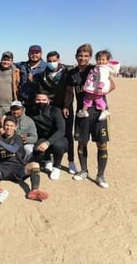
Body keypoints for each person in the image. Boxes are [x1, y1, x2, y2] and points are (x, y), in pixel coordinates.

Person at [64, 44, 115, 188]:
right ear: (76, 56)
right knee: (82, 142)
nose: (83, 58)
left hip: (99, 113)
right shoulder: (71, 73)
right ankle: (83, 170)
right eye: (80, 55)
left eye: (86, 56)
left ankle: (100, 176)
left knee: (102, 144)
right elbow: (69, 92)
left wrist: (97, 93)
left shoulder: (97, 69)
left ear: (90, 57)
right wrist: (66, 106)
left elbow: (112, 85)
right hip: (83, 112)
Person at [0, 116, 48, 201]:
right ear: (3, 126)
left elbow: (13, 149)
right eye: (6, 125)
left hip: (18, 170)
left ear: (15, 127)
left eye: (11, 126)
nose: (8, 128)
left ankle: (34, 191)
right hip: (3, 169)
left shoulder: (17, 138)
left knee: (34, 164)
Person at [38, 51, 77, 174]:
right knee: (49, 131)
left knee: (67, 133)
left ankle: (71, 161)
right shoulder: (44, 73)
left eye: (54, 60)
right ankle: (48, 158)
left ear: (59, 60)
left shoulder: (67, 72)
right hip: (51, 107)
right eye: (49, 61)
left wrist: (66, 105)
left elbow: (70, 91)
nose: (52, 63)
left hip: (65, 108)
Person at [26, 92, 68, 180]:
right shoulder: (32, 111)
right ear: (34, 100)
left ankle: (56, 167)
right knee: (36, 151)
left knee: (58, 146)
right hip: (42, 137)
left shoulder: (55, 111)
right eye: (38, 100)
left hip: (58, 137)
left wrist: (48, 143)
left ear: (48, 101)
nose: (41, 102)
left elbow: (61, 130)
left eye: (44, 100)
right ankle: (47, 159)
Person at [77, 50, 114, 121]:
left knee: (88, 98)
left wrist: (100, 88)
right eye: (99, 59)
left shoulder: (103, 69)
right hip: (94, 88)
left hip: (97, 89)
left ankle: (84, 110)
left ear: (107, 60)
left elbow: (103, 79)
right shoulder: (97, 67)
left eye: (103, 59)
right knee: (98, 99)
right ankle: (103, 110)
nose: (101, 61)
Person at [0, 51, 20, 116]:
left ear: (12, 62)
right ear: (1, 60)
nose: (6, 62)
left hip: (10, 106)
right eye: (4, 60)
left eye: (8, 60)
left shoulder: (15, 71)